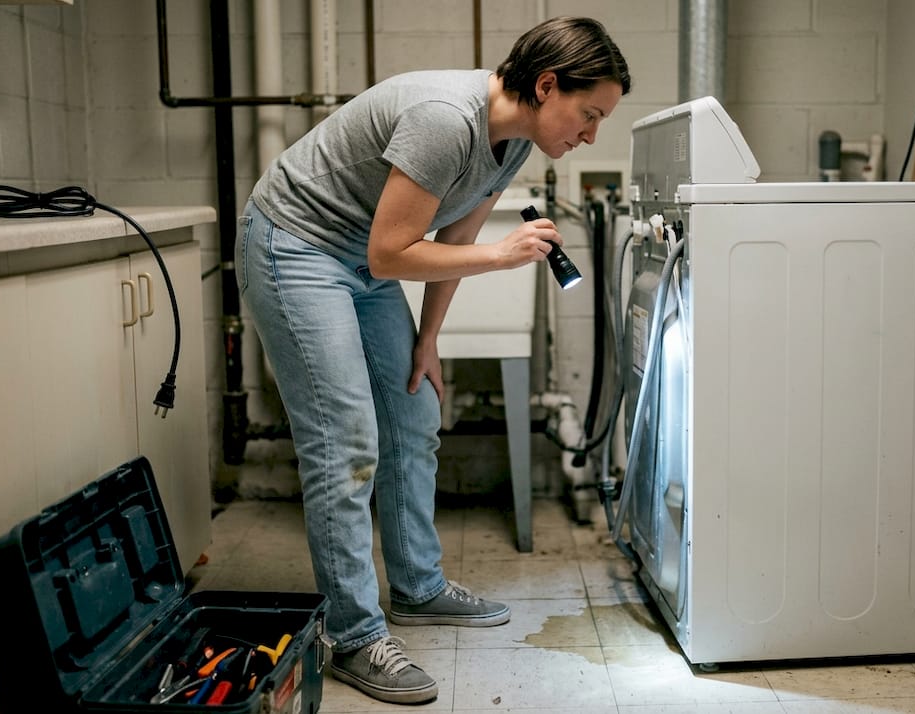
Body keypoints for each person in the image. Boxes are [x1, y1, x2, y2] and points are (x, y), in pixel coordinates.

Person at [235, 16, 630, 705]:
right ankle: (353, 637)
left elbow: (457, 231)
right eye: (589, 115)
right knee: (346, 439)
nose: (591, 134)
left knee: (415, 408)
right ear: (546, 86)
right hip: (295, 245)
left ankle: (417, 589)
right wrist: (504, 258)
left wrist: (427, 340)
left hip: (362, 257)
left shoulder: (511, 143)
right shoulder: (446, 120)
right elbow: (396, 250)